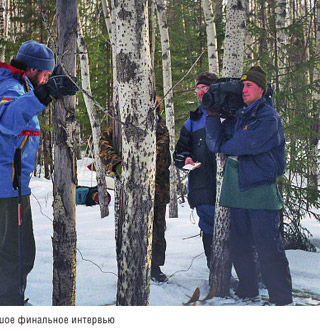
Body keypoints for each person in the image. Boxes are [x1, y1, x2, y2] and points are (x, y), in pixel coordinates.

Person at [0, 40, 78, 305]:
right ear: (31, 69)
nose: (45, 80)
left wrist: (44, 90)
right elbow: (8, 119)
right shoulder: (9, 86)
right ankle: (7, 308)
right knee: (17, 255)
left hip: (6, 180)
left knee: (13, 251)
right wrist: (43, 95)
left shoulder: (12, 83)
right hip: (5, 183)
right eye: (44, 74)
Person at [205, 66, 293, 305]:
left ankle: (282, 298)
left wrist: (229, 142)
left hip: (261, 190)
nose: (244, 90)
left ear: (261, 90)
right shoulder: (238, 116)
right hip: (238, 190)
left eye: (249, 86)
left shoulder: (268, 117)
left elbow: (244, 144)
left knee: (269, 248)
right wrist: (212, 115)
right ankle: (248, 291)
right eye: (242, 86)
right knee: (240, 246)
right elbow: (215, 144)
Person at [99, 98, 171, 282]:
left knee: (156, 230)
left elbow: (153, 157)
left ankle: (154, 268)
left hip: (156, 190)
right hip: (129, 190)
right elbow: (103, 142)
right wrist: (117, 165)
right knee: (129, 228)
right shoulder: (122, 125)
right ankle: (129, 265)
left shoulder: (161, 130)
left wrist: (132, 165)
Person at [173, 72, 218, 269]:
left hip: (231, 187)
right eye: (197, 89)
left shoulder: (230, 115)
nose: (200, 93)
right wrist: (186, 159)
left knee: (239, 230)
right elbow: (179, 153)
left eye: (204, 88)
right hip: (202, 187)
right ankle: (216, 275)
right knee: (209, 230)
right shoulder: (192, 121)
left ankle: (248, 280)